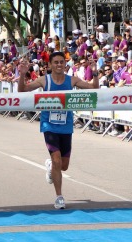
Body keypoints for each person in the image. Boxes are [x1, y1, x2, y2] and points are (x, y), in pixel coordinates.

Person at [17, 52, 98, 210]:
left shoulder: (71, 80)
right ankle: (59, 197)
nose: (59, 65)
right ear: (50, 65)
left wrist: (94, 72)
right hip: (49, 125)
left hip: (66, 125)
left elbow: (94, 88)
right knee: (57, 160)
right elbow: (22, 90)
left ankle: (51, 168)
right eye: (56, 62)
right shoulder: (44, 80)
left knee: (64, 165)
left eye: (62, 62)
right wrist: (22, 75)